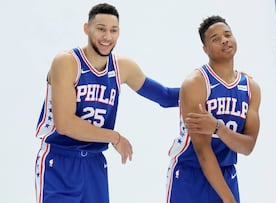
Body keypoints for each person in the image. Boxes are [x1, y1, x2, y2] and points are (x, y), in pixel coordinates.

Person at [34, 3, 179, 203]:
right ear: (87, 28)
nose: (107, 37)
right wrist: (115, 137)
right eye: (101, 29)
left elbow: (165, 96)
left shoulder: (123, 67)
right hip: (60, 161)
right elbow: (65, 124)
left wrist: (209, 88)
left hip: (95, 164)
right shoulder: (67, 62)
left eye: (113, 30)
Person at [166, 15, 261, 203]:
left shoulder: (251, 88)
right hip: (190, 172)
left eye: (228, 34)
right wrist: (229, 199)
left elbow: (248, 146)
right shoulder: (196, 83)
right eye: (215, 39)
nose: (224, 40)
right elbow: (202, 150)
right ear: (205, 49)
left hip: (227, 173)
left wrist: (218, 128)